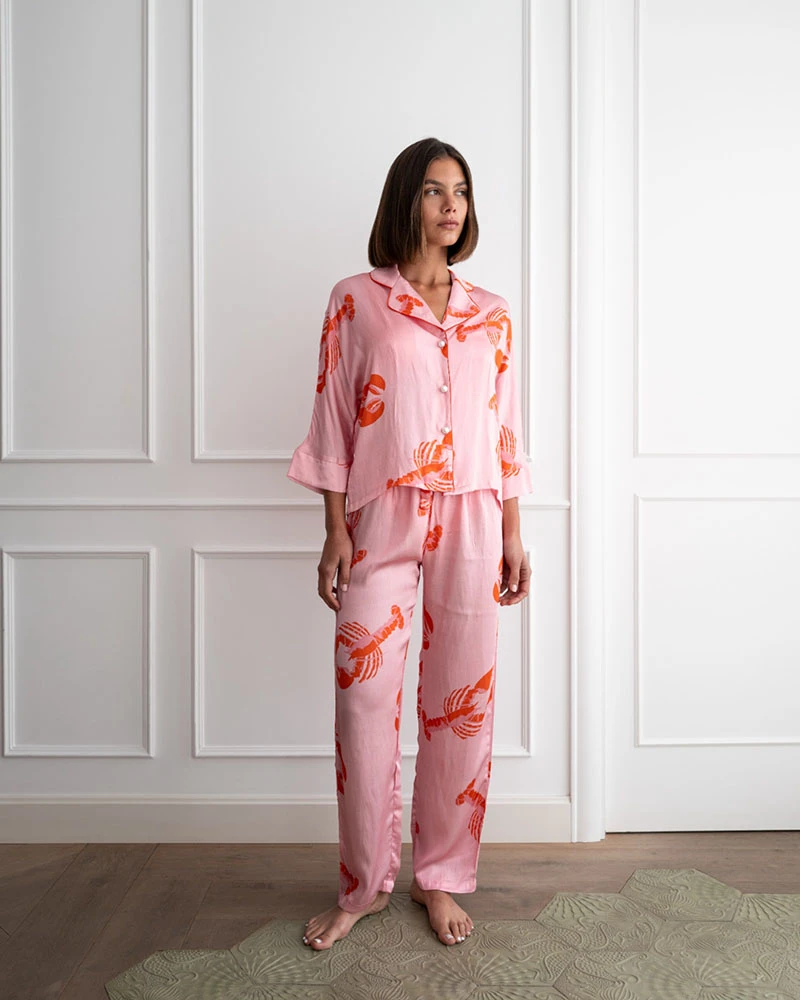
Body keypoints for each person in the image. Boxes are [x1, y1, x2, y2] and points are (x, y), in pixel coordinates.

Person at [286, 137, 533, 951]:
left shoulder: (492, 311)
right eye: (433, 190)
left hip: (473, 513)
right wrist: (333, 530)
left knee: (461, 702)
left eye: (460, 190)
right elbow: (333, 416)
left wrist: (513, 531)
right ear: (406, 200)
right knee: (364, 702)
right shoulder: (357, 300)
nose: (450, 204)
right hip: (381, 512)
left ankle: (442, 876)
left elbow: (505, 428)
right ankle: (362, 885)